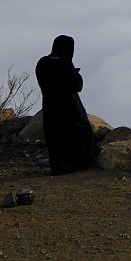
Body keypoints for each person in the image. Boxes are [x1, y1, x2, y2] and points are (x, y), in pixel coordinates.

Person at [35, 35, 97, 175]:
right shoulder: (65, 64)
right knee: (78, 133)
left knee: (55, 137)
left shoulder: (42, 62)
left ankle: (59, 166)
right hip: (70, 108)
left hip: (50, 107)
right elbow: (78, 85)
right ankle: (78, 163)